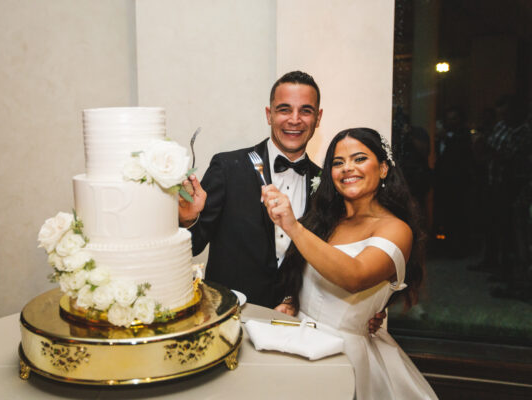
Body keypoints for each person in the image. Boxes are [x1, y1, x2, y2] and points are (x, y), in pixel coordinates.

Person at [262, 128, 437, 399]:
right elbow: (309, 276)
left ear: (383, 168)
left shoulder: (396, 229)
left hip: (344, 356)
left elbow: (355, 277)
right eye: (338, 162)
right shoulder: (324, 221)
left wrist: (293, 227)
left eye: (359, 159)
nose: (347, 168)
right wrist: (293, 302)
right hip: (299, 343)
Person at [178, 71, 323, 308]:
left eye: (305, 111)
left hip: (292, 318)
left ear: (318, 118)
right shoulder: (227, 168)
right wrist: (188, 220)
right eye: (284, 109)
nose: (295, 119)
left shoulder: (325, 183)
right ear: (269, 115)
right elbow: (192, 247)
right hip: (231, 314)